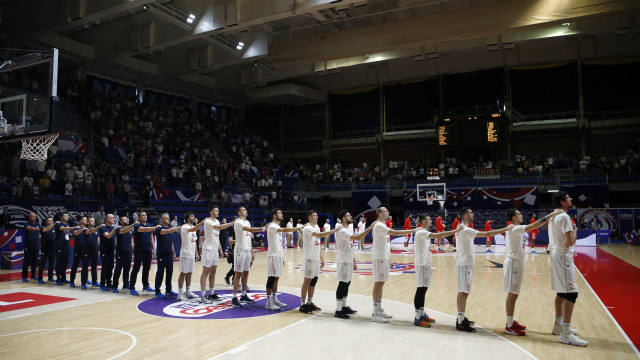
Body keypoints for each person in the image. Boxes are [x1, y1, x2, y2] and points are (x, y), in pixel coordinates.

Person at [454, 207, 513, 332]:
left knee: (465, 291)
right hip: (464, 264)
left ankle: (461, 317)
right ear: (465, 216)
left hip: (466, 263)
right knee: (463, 292)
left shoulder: (463, 228)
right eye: (470, 212)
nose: (473, 214)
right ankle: (459, 321)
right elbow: (486, 234)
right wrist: (505, 229)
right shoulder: (465, 229)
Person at [548, 191, 588, 346]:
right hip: (563, 256)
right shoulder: (564, 217)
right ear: (563, 202)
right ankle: (565, 333)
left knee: (561, 293)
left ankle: (558, 326)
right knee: (571, 293)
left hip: (556, 254)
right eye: (568, 198)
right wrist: (575, 230)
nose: (571, 199)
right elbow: (570, 242)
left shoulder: (553, 216)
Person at [413, 215, 461, 327]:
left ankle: (422, 314)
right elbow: (439, 235)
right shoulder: (421, 232)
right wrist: (455, 230)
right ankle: (417, 317)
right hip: (421, 263)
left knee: (424, 288)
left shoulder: (424, 231)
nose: (431, 221)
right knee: (420, 289)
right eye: (429, 219)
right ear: (423, 221)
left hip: (426, 263)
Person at [371, 207, 417, 323]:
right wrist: (414, 230)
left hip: (384, 257)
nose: (388, 212)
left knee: (381, 282)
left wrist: (389, 258)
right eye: (386, 211)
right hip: (379, 257)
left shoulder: (383, 225)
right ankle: (375, 313)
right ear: (380, 214)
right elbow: (396, 233)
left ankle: (379, 309)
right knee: (378, 283)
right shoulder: (379, 226)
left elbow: (385, 244)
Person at [333, 210, 376, 319]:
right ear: (343, 218)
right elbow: (357, 238)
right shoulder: (341, 230)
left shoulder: (347, 228)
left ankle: (344, 306)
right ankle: (338, 310)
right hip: (343, 260)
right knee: (342, 283)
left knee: (347, 283)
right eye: (348, 215)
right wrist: (370, 227)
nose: (351, 216)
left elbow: (350, 246)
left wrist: (354, 260)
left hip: (349, 259)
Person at [299, 210, 339, 314]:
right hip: (309, 258)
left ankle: (310, 302)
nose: (317, 217)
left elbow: (318, 243)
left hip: (316, 258)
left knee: (314, 281)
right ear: (310, 217)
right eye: (315, 215)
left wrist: (321, 257)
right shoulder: (307, 228)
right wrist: (334, 231)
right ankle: (302, 304)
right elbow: (319, 235)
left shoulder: (316, 226)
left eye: (317, 215)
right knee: (307, 280)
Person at [265, 209, 301, 311]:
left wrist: (282, 256)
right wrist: (300, 227)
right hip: (273, 256)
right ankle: (268, 302)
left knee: (276, 278)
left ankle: (275, 298)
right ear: (274, 215)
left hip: (278, 255)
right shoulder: (272, 226)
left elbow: (279, 243)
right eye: (280, 213)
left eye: (281, 213)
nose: (282, 215)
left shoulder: (277, 226)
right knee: (271, 278)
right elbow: (285, 230)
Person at [231, 207, 265, 307]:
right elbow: (249, 230)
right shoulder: (238, 222)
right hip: (240, 250)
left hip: (247, 250)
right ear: (239, 212)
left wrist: (252, 251)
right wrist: (263, 228)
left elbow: (249, 237)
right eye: (244, 210)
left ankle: (243, 294)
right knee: (238, 274)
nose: (246, 211)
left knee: (246, 272)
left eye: (246, 210)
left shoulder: (248, 222)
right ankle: (234, 297)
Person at [201, 205, 235, 303]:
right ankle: (203, 296)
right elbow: (219, 227)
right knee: (205, 272)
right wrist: (232, 223)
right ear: (211, 212)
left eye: (218, 211)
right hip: (208, 249)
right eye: (216, 211)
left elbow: (217, 237)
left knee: (213, 271)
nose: (218, 212)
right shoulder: (207, 222)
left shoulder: (217, 221)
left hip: (215, 250)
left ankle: (211, 293)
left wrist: (220, 249)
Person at [177, 212, 205, 301]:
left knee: (189, 273)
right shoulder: (185, 227)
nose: (194, 217)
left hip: (191, 254)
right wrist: (202, 222)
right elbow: (195, 229)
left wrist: (196, 253)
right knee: (183, 273)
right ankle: (180, 293)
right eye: (192, 216)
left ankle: (188, 291)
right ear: (187, 218)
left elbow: (194, 242)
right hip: (185, 254)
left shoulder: (193, 229)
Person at [154, 213, 182, 299]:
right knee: (160, 272)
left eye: (168, 218)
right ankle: (157, 291)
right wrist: (179, 227)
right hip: (162, 254)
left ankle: (168, 290)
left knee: (170, 272)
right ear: (162, 220)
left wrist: (173, 252)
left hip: (169, 254)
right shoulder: (159, 228)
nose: (168, 219)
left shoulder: (169, 229)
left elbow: (171, 242)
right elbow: (166, 231)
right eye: (166, 218)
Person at [129, 211, 157, 295]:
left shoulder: (149, 225)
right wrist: (154, 227)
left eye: (146, 215)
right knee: (136, 269)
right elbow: (143, 229)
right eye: (143, 215)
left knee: (146, 268)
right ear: (139, 217)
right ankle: (132, 287)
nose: (145, 216)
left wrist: (153, 248)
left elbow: (151, 236)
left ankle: (145, 285)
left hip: (148, 250)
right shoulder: (137, 225)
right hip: (139, 250)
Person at [112, 216, 136, 293]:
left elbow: (131, 242)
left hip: (128, 252)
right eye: (125, 219)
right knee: (118, 270)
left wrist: (134, 251)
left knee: (127, 269)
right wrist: (133, 225)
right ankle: (115, 286)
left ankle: (126, 284)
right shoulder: (119, 228)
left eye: (127, 219)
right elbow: (123, 231)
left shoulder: (130, 231)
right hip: (120, 252)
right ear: (121, 222)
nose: (127, 220)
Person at [54, 213, 76, 285]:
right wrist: (73, 228)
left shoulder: (67, 225)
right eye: (65, 216)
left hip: (67, 245)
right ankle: (58, 278)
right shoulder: (58, 224)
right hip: (60, 246)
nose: (67, 217)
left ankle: (63, 278)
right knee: (59, 262)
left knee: (65, 263)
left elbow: (68, 233)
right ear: (61, 217)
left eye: (67, 216)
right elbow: (62, 229)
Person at [98, 214, 118, 291]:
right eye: (111, 217)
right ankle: (102, 284)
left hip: (111, 250)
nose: (113, 219)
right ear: (107, 218)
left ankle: (109, 282)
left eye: (113, 217)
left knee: (110, 267)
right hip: (104, 250)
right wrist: (115, 229)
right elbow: (108, 236)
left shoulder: (113, 228)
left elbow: (115, 239)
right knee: (105, 267)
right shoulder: (103, 228)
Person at [69, 216, 88, 287]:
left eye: (87, 220)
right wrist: (82, 229)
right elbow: (75, 233)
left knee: (85, 266)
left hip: (85, 250)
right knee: (75, 265)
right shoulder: (77, 228)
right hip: (78, 250)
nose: (86, 221)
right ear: (81, 221)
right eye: (85, 219)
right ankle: (72, 281)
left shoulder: (87, 229)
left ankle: (85, 280)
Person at [22, 213, 41, 282]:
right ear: (29, 217)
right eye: (32, 216)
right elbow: (29, 228)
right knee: (26, 261)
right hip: (28, 245)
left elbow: (39, 233)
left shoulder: (38, 224)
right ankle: (24, 276)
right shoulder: (26, 224)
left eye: (35, 216)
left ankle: (33, 275)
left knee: (35, 261)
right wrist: (37, 229)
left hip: (36, 244)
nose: (34, 217)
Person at [83, 217, 101, 289]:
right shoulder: (85, 229)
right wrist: (98, 227)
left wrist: (98, 250)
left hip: (95, 251)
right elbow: (89, 232)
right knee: (85, 267)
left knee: (94, 267)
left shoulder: (96, 231)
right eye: (91, 221)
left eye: (94, 221)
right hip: (87, 251)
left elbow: (98, 240)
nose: (93, 222)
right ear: (88, 222)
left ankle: (94, 281)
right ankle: (83, 282)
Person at [38, 217, 56, 284]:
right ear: (46, 222)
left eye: (52, 220)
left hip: (52, 248)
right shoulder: (43, 228)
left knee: (51, 264)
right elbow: (47, 228)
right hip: (45, 249)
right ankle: (40, 278)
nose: (51, 221)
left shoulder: (54, 229)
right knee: (42, 263)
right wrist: (53, 224)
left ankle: (50, 277)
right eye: (49, 220)